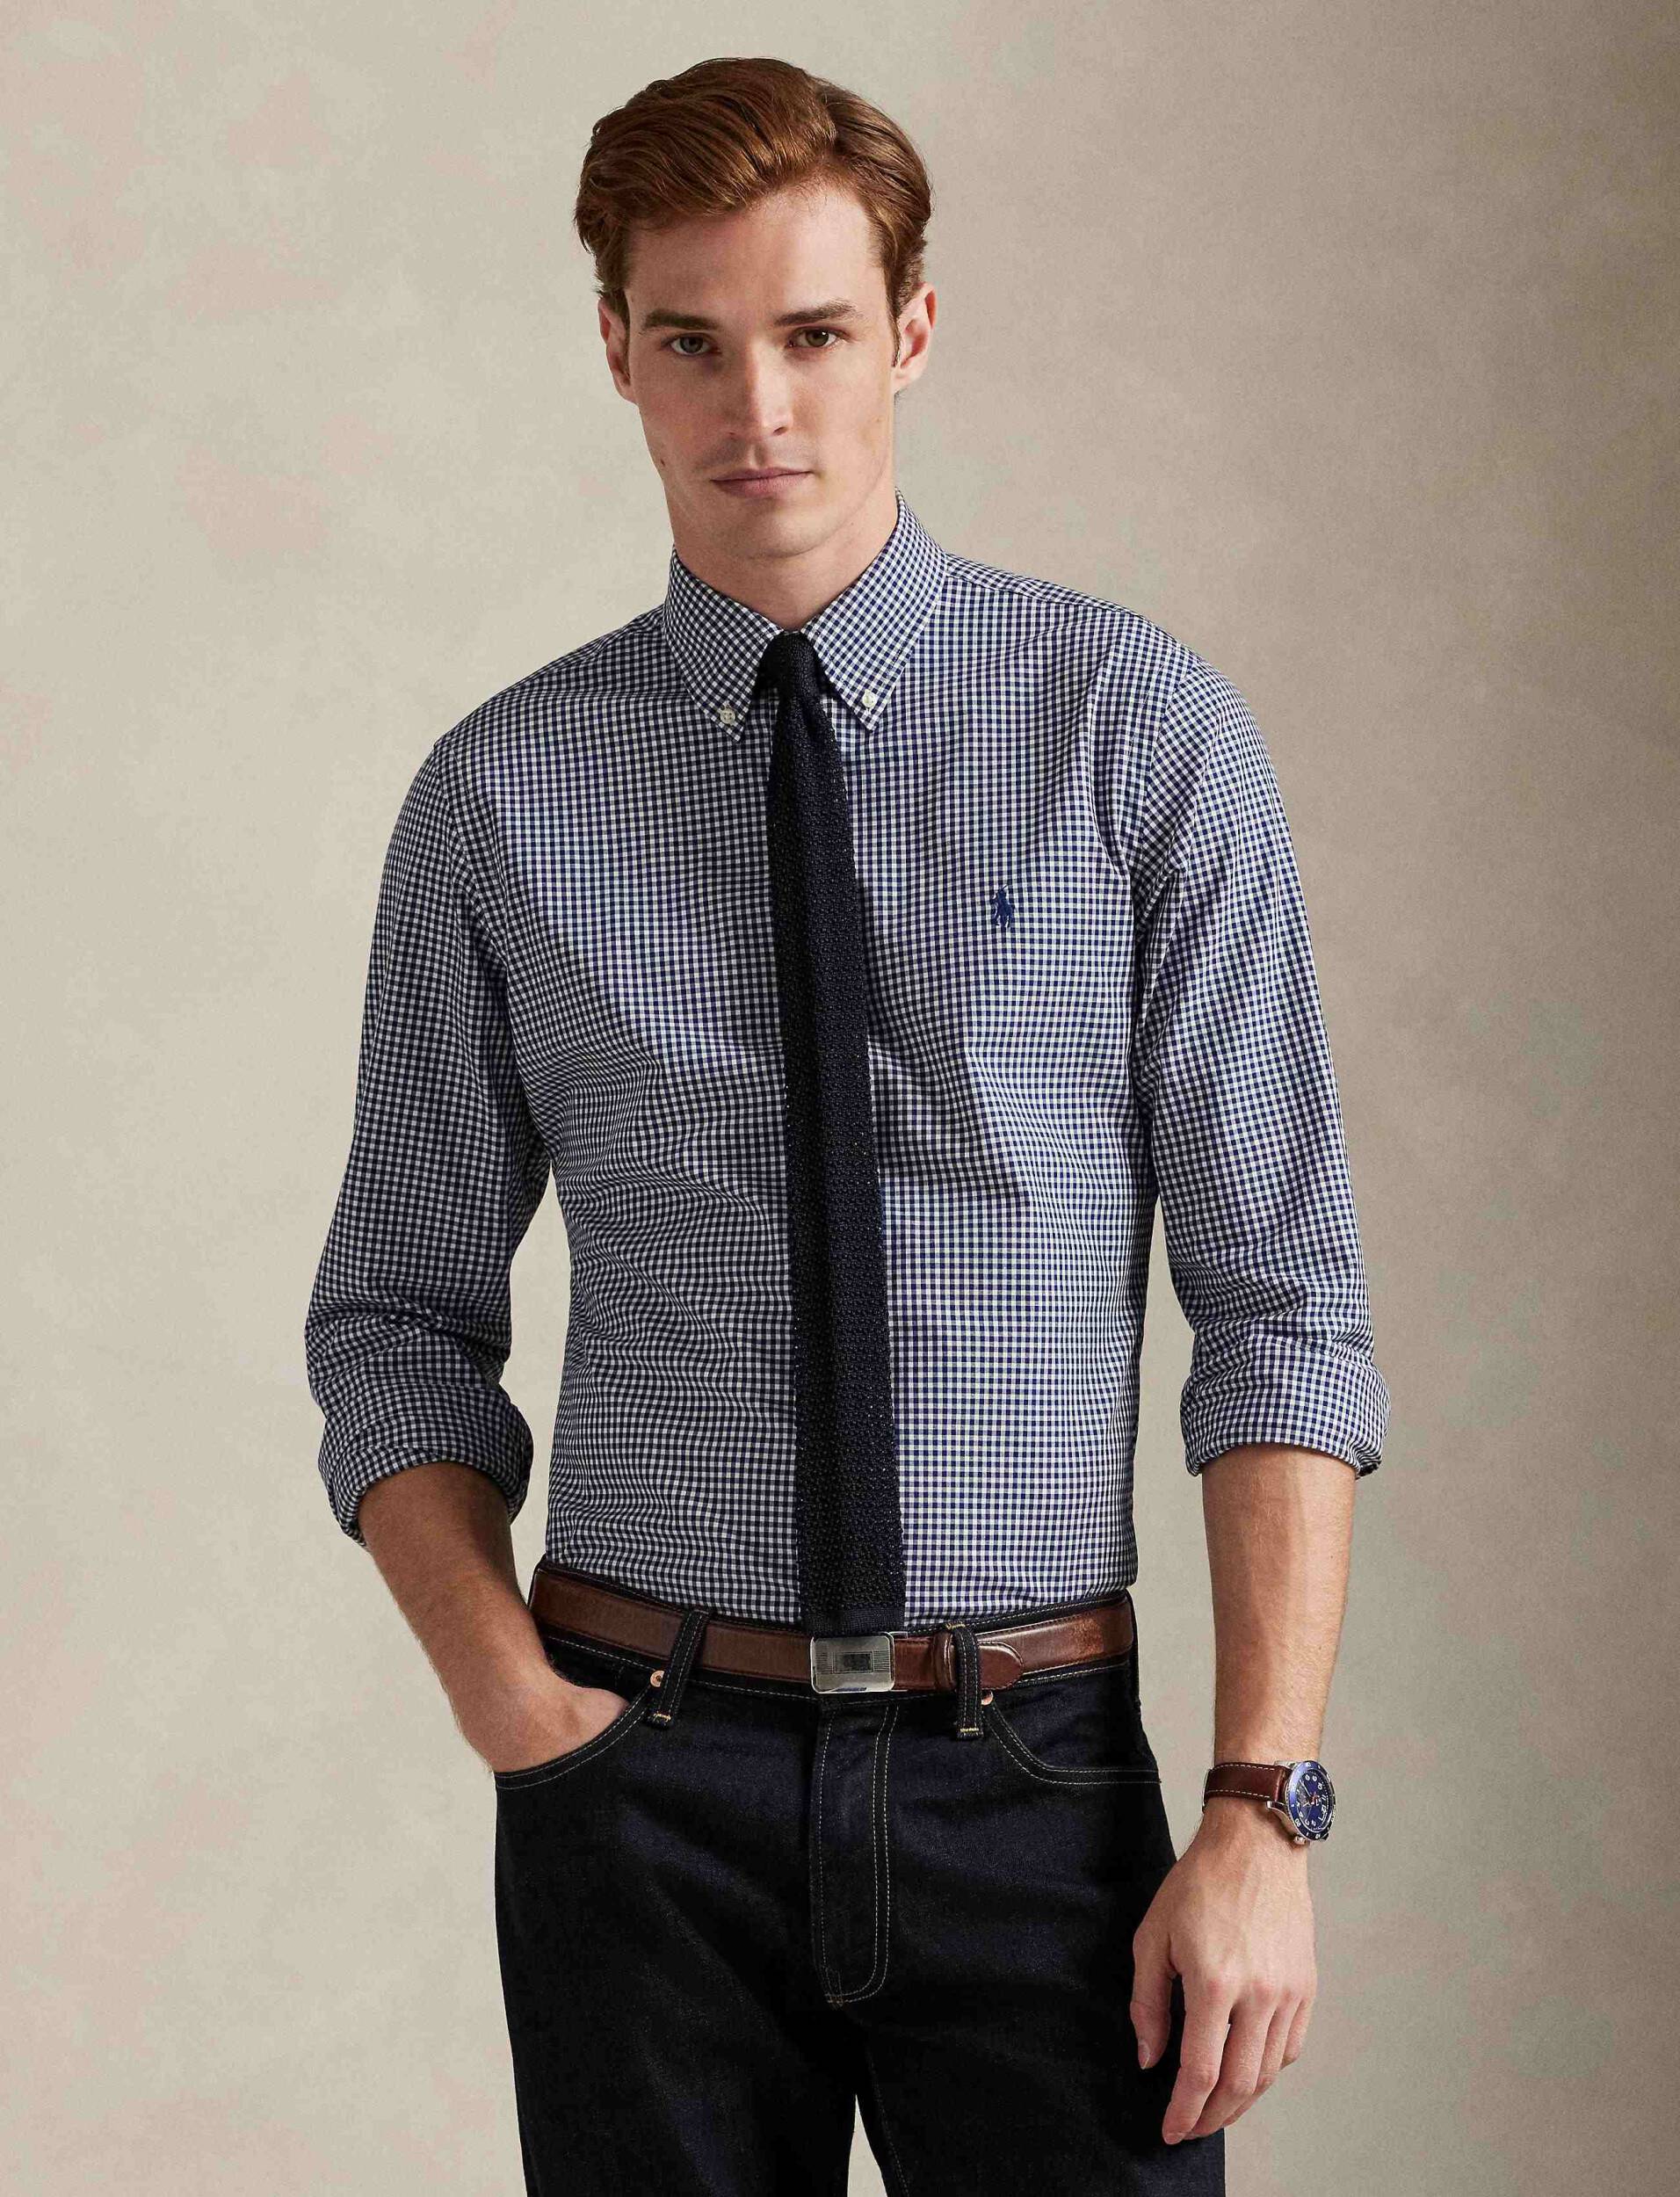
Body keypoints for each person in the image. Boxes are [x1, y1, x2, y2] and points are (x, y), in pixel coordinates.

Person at [303, 54, 1388, 2197]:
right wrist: (519, 1711)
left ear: (909, 329)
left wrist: (1258, 1807)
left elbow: (1278, 1303)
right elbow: (394, 1319)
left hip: (1033, 1783)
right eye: (690, 343)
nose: (757, 408)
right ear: (613, 350)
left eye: (810, 332)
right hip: (642, 1784)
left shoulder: (1132, 734)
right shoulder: (499, 795)